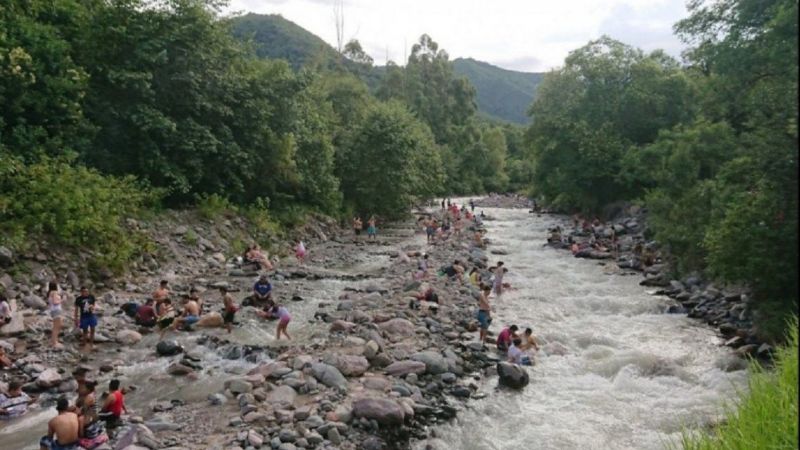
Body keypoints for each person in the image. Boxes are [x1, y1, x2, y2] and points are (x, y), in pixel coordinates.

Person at [75, 380, 108, 449]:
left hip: (90, 416)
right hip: (92, 415)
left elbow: (82, 410)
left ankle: (81, 436)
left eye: (84, 388)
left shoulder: (89, 397)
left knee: (78, 419)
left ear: (88, 389)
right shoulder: (92, 393)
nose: (82, 389)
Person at [47, 281, 64, 349]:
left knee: (56, 326)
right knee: (57, 327)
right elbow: (55, 302)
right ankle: (55, 342)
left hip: (53, 310)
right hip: (56, 310)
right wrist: (62, 300)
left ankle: (54, 341)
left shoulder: (50, 293)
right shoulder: (54, 292)